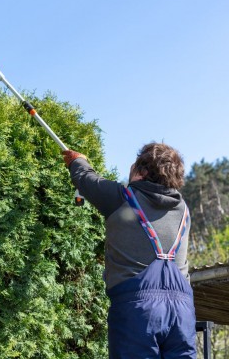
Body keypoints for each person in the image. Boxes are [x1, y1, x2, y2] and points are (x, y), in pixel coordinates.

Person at [62, 142, 196, 359]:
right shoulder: (183, 210)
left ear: (142, 172)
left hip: (137, 310)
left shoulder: (122, 199)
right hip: (182, 312)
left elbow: (86, 179)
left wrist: (77, 159)